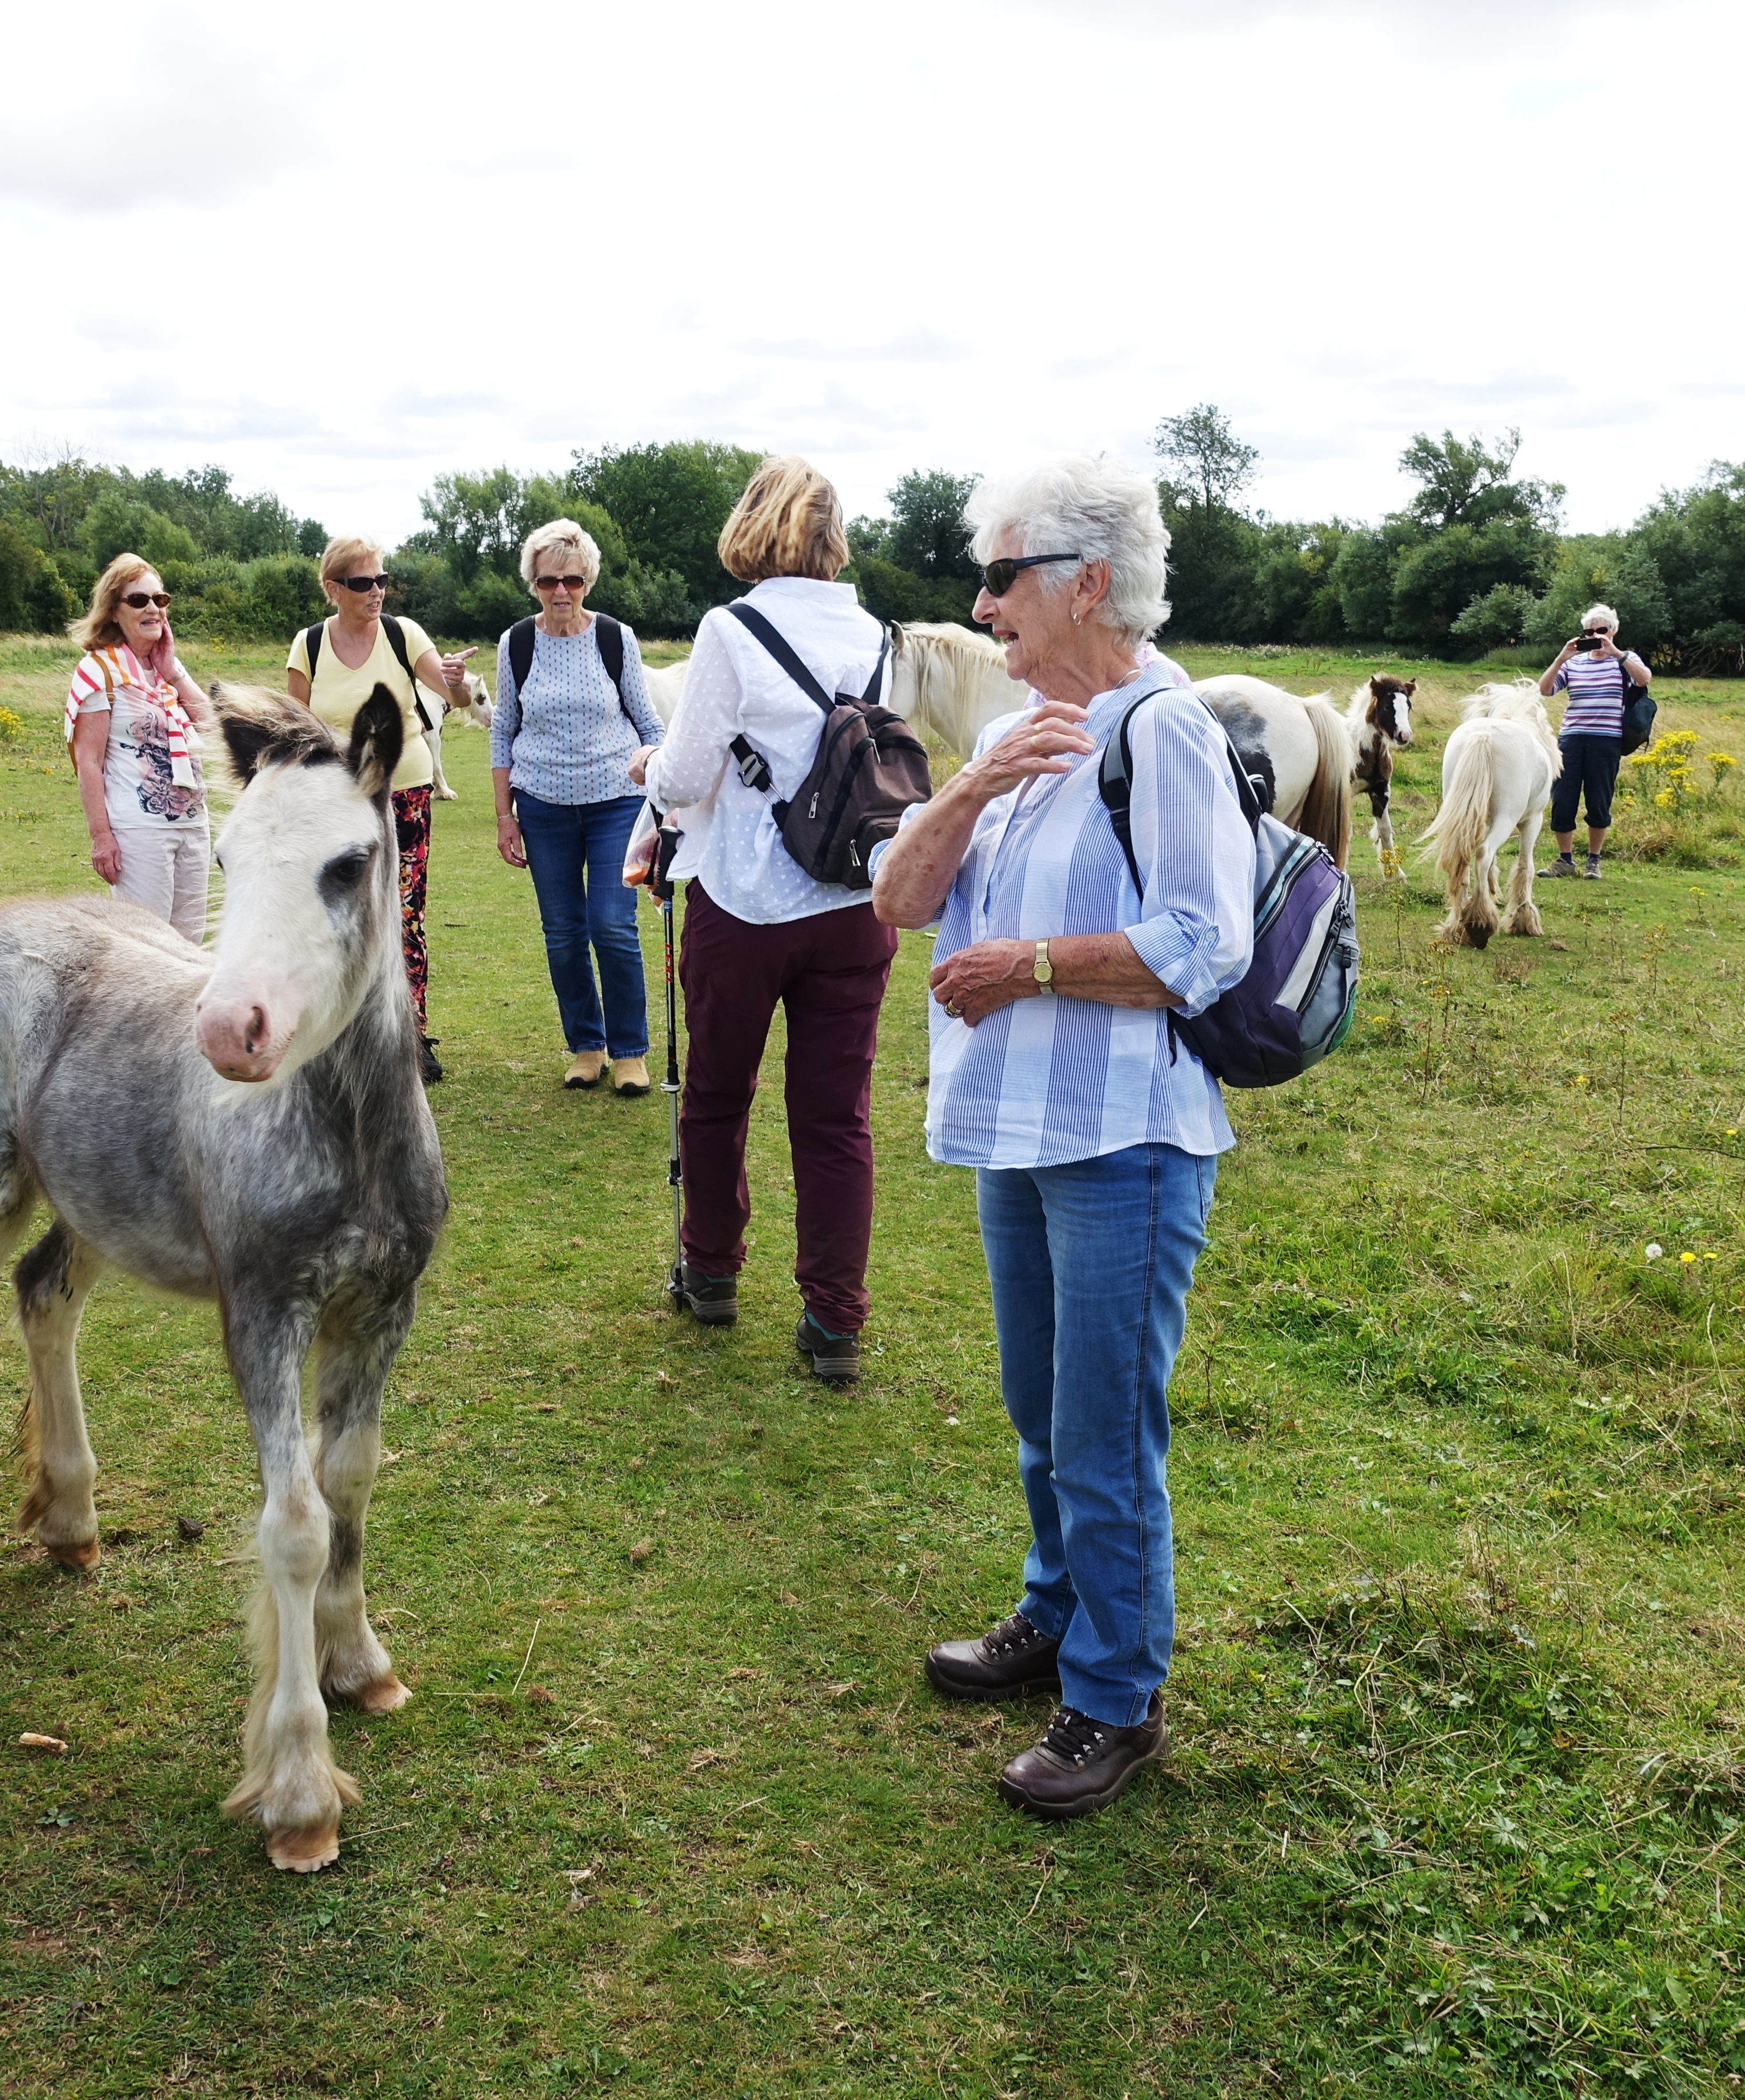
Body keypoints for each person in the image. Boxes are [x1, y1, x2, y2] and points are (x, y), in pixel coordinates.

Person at [869, 451, 1253, 1820]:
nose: (980, 609)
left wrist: (1023, 963)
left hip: (1123, 1138)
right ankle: (1051, 1612)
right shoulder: (1003, 736)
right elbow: (897, 907)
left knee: (1100, 1429)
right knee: (1040, 1414)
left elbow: (1201, 948)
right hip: (1017, 1132)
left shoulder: (1165, 733)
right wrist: (965, 796)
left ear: (1084, 583)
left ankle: (1112, 1697)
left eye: (998, 578)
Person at [628, 456, 898, 1384]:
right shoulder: (874, 633)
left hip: (745, 900)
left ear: (753, 525)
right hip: (855, 900)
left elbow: (687, 773)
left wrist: (647, 769)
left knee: (717, 1095)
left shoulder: (730, 629)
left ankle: (709, 1270)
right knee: (836, 1119)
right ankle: (834, 1319)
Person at [285, 535, 474, 1081]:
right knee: (337, 913)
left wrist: (458, 686)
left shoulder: (404, 634)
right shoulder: (310, 645)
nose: (377, 592)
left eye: (382, 580)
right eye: (363, 582)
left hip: (404, 791)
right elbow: (295, 726)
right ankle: (337, 1035)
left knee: (404, 912)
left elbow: (453, 697)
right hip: (335, 800)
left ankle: (411, 1038)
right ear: (333, 589)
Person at [491, 518, 662, 1094]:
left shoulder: (616, 638)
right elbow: (501, 733)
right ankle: (586, 1046)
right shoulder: (515, 643)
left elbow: (648, 721)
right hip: (542, 807)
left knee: (610, 925)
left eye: (571, 580)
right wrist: (504, 815)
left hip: (616, 802)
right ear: (533, 584)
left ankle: (630, 1052)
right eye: (547, 582)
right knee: (562, 932)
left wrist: (659, 783)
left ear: (587, 580)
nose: (560, 592)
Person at [66, 552, 218, 939]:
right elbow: (88, 761)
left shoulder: (166, 669)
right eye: (139, 600)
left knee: (189, 948)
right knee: (146, 947)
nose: (153, 608)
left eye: (159, 600)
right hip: (140, 829)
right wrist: (101, 836)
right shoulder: (99, 669)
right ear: (115, 611)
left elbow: (214, 728)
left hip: (193, 823)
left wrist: (173, 671)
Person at [1537, 602, 1649, 880]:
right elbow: (1545, 689)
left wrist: (1616, 653)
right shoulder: (1574, 663)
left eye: (1601, 630)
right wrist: (1561, 658)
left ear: (1612, 631)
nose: (1595, 636)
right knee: (1563, 799)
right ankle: (1564, 860)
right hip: (1571, 739)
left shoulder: (1625, 659)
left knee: (1599, 800)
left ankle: (1593, 861)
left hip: (1607, 741)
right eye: (1589, 632)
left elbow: (1644, 679)